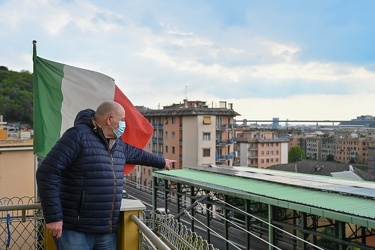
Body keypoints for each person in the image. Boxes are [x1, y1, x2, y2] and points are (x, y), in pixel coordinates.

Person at [36, 100, 175, 250]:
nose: (124, 124)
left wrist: (162, 162)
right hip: (76, 231)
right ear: (110, 119)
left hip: (106, 231)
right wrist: (53, 217)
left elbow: (138, 154)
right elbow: (47, 172)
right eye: (122, 119)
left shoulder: (117, 144)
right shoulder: (77, 136)